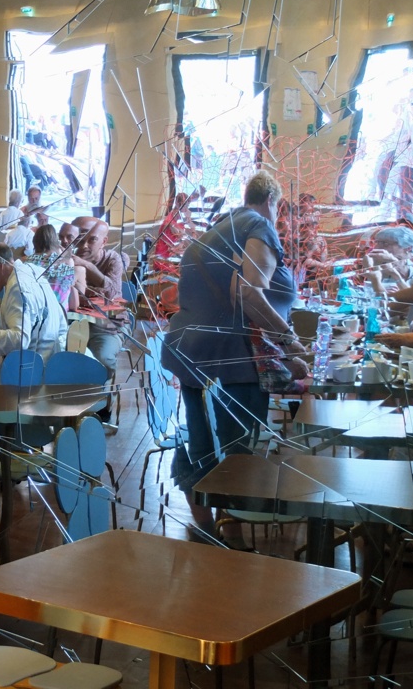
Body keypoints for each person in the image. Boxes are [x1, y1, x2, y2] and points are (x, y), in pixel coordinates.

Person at [161, 171, 307, 545]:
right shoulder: (258, 226)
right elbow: (250, 293)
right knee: (236, 455)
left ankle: (214, 535)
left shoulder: (219, 228)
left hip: (194, 355)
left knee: (203, 445)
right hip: (232, 361)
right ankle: (233, 544)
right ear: (272, 202)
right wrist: (290, 341)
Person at [71, 216, 128, 369]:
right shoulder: (66, 260)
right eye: (80, 239)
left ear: (104, 242)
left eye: (92, 240)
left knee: (102, 359)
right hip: (73, 323)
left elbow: (110, 292)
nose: (84, 246)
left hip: (108, 326)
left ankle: (106, 391)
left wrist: (86, 266)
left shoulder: (113, 259)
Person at [26, 224, 80, 311]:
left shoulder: (28, 262)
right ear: (55, 241)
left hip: (36, 311)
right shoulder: (67, 262)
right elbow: (74, 303)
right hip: (60, 313)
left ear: (35, 241)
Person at [365, 225, 413, 290]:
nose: (377, 248)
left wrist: (395, 266)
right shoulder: (380, 265)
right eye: (377, 243)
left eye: (385, 243)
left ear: (408, 248)